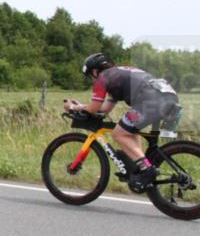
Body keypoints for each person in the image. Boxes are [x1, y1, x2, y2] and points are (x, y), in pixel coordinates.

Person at [64, 53, 180, 189]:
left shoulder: (103, 78)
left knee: (118, 133)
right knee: (129, 131)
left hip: (150, 101)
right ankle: (140, 166)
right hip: (168, 98)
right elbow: (104, 109)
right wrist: (83, 106)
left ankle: (147, 170)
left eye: (91, 75)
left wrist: (73, 107)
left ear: (95, 71)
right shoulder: (119, 74)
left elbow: (94, 108)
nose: (92, 79)